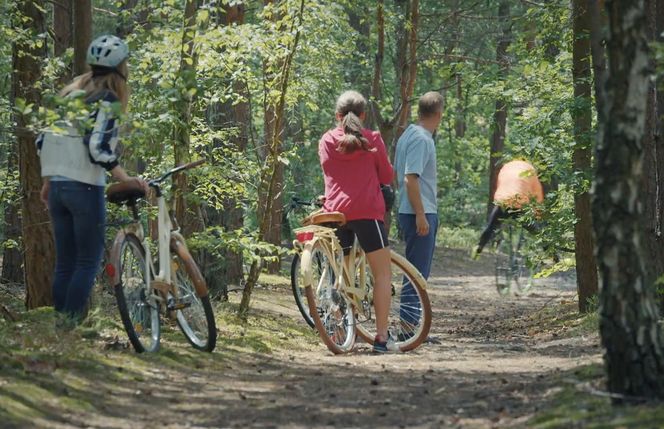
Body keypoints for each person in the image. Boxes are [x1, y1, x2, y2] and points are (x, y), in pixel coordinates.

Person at [37, 35, 148, 326]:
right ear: (121, 68)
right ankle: (68, 327)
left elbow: (42, 140)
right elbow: (98, 147)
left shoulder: (69, 94)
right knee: (87, 262)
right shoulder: (107, 99)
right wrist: (127, 178)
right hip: (84, 187)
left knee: (65, 262)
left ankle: (59, 327)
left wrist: (49, 180)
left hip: (58, 187)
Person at [318, 90, 396, 352]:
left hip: (335, 213)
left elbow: (329, 175)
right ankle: (382, 338)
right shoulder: (372, 139)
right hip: (366, 212)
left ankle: (340, 331)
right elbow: (386, 176)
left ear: (337, 115)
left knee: (337, 273)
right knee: (383, 274)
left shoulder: (327, 140)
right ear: (363, 115)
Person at [472, 159, 544, 258]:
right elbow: (537, 193)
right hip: (520, 205)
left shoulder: (505, 168)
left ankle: (479, 247)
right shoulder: (530, 170)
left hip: (503, 203)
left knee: (491, 226)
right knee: (536, 231)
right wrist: (537, 214)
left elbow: (500, 186)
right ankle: (552, 255)